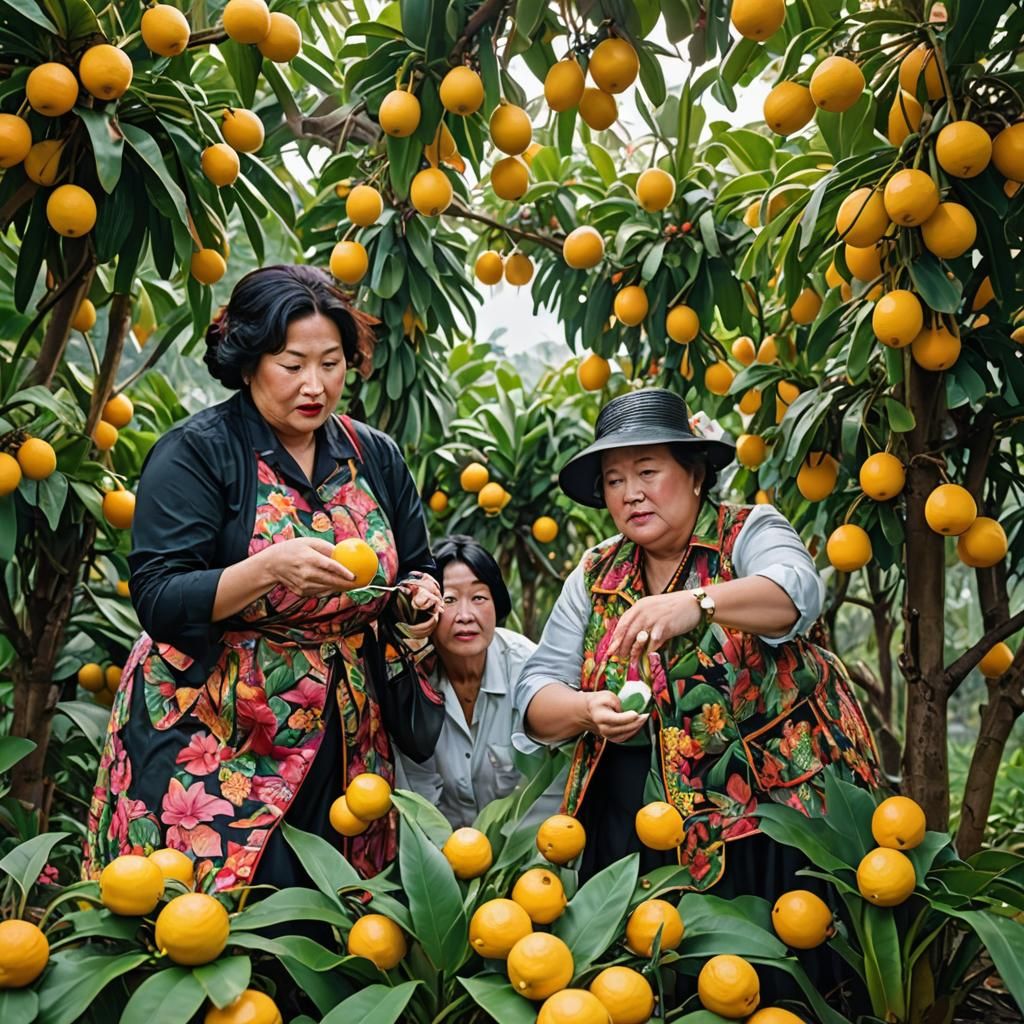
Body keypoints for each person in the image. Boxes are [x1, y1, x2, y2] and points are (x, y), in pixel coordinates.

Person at [84, 265, 442, 892]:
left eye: (331, 363)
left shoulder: (373, 455)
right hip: (214, 732)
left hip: (343, 731)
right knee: (206, 908)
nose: (315, 385)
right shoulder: (199, 451)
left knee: (330, 907)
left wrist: (418, 596)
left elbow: (416, 560)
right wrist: (267, 569)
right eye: (292, 364)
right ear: (249, 362)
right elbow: (160, 597)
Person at [513, 387, 881, 890]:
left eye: (647, 472)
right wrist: (585, 711)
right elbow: (536, 691)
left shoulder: (748, 531)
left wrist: (697, 603)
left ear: (696, 474)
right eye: (615, 480)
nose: (631, 493)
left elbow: (797, 593)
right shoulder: (595, 573)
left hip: (766, 821)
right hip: (633, 821)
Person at [396, 536, 563, 828]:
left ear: (497, 604)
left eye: (479, 598)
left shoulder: (530, 670)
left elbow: (557, 778)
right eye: (449, 599)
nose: (465, 616)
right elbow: (418, 800)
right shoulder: (411, 683)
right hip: (441, 851)